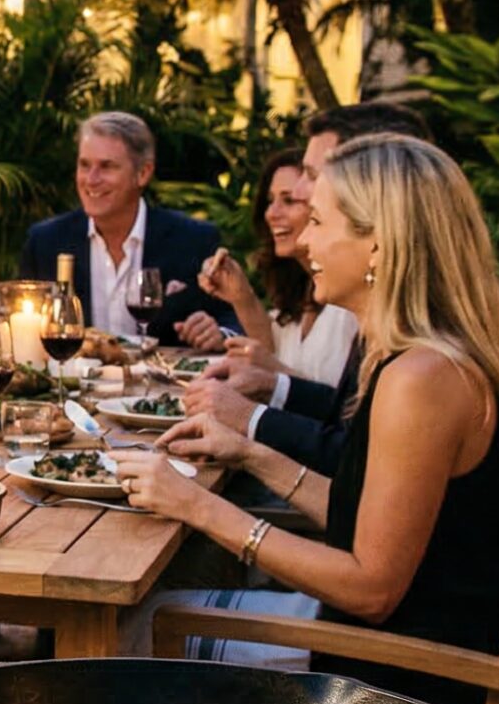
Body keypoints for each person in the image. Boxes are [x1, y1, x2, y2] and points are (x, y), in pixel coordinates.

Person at [112, 133, 499, 704]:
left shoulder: (423, 378)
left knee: (131, 627)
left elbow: (371, 588)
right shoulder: (424, 357)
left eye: (317, 220)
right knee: (158, 601)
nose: (305, 239)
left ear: (378, 246)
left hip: (399, 685)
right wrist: (250, 453)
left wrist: (198, 506)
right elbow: (367, 519)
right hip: (392, 646)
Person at [182, 102, 435, 470]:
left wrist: (251, 424)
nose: (303, 192)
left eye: (313, 175)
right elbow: (345, 429)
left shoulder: (424, 351)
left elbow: (348, 464)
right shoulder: (378, 301)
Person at [16, 111, 237, 343]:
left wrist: (220, 333)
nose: (91, 179)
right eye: (84, 165)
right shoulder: (46, 243)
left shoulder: (192, 240)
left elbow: (233, 317)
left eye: (107, 166)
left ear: (143, 173)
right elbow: (22, 322)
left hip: (167, 368)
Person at [187, 149, 359, 387]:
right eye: (270, 201)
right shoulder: (298, 288)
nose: (271, 213)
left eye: (289, 200)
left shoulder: (349, 301)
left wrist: (273, 373)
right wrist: (241, 296)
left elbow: (345, 406)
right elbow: (269, 352)